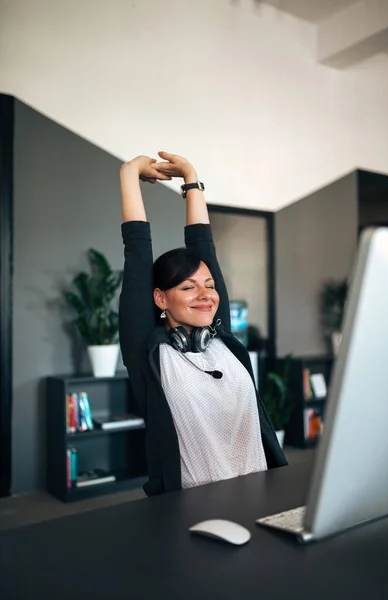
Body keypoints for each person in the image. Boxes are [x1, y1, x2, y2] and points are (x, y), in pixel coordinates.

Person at [119, 151, 287, 496]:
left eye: (209, 286)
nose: (206, 295)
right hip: (189, 511)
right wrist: (129, 173)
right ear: (160, 299)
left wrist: (191, 180)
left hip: (259, 495)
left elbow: (205, 249)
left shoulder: (222, 338)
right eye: (187, 287)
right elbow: (136, 256)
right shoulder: (149, 353)